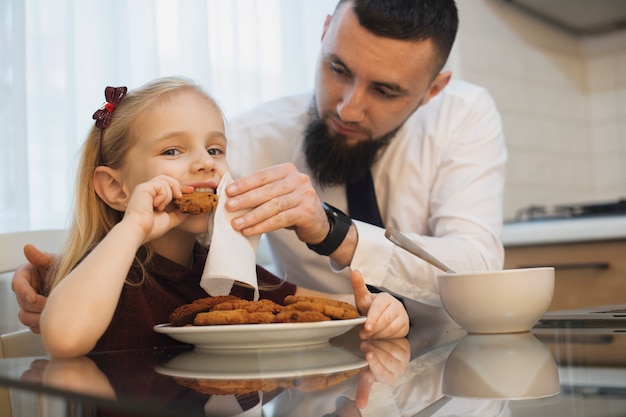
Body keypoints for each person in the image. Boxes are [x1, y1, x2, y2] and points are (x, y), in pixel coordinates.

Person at [13, 0, 506, 328]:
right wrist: (70, 273)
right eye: (338, 69)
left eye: (385, 90)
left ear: (432, 90)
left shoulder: (462, 116)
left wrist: (335, 233)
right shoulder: (242, 141)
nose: (348, 108)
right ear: (323, 33)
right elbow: (157, 219)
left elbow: (479, 270)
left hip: (441, 356)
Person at [37, 77, 409, 358]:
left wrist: (377, 309)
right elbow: (64, 340)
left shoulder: (224, 267)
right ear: (117, 190)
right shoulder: (111, 267)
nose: (205, 162)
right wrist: (134, 227)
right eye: (172, 150)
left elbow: (319, 311)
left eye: (215, 148)